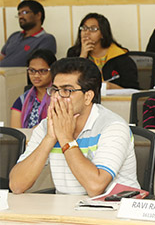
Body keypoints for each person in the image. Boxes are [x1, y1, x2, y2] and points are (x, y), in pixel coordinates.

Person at [9, 57, 139, 196]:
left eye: (67, 91)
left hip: (115, 210)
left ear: (88, 96)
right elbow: (16, 185)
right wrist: (50, 138)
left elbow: (95, 186)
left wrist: (65, 138)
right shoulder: (47, 125)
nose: (57, 97)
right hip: (68, 210)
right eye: (54, 90)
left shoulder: (113, 127)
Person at [67, 13, 139, 89]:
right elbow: (67, 81)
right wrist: (82, 57)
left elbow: (132, 89)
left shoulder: (120, 57)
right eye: (84, 28)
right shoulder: (73, 53)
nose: (87, 33)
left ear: (103, 34)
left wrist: (111, 87)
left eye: (93, 29)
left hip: (112, 99)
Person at [0, 0, 56, 67]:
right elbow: (2, 57)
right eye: (19, 14)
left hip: (20, 76)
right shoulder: (14, 36)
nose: (21, 17)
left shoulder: (46, 39)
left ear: (38, 15)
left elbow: (39, 66)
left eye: (24, 12)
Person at [10, 49, 57, 129]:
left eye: (42, 71)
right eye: (32, 70)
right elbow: (17, 133)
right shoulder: (22, 100)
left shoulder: (61, 97)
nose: (36, 75)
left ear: (53, 70)